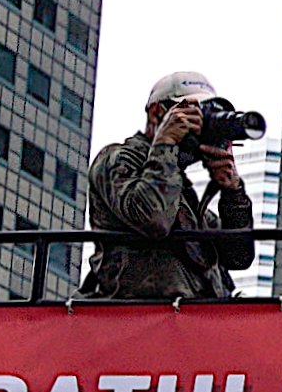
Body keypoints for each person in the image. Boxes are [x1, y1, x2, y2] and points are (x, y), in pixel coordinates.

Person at [81, 68, 258, 303]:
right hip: (142, 319)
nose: (200, 127)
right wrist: (166, 142)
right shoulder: (117, 159)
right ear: (157, 113)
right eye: (194, 114)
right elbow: (153, 219)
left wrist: (232, 191)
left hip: (192, 321)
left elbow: (239, 257)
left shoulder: (180, 188)